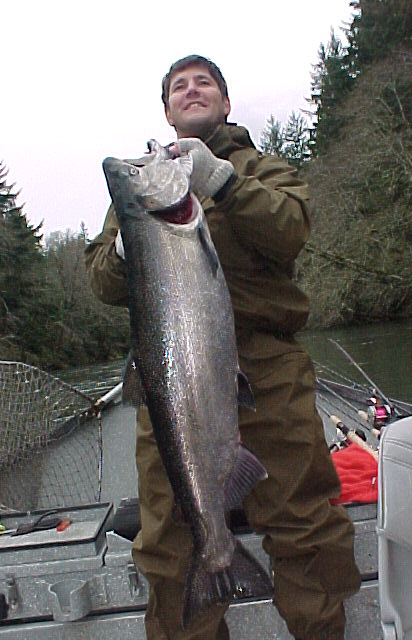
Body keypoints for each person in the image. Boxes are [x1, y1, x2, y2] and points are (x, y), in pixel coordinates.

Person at [85, 54, 361, 640]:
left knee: (306, 526)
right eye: (178, 87)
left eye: (203, 82)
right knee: (167, 542)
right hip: (168, 377)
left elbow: (290, 230)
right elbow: (102, 281)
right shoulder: (141, 187)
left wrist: (225, 183)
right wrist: (128, 247)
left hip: (269, 371)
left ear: (226, 103)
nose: (191, 90)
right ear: (166, 110)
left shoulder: (263, 171)